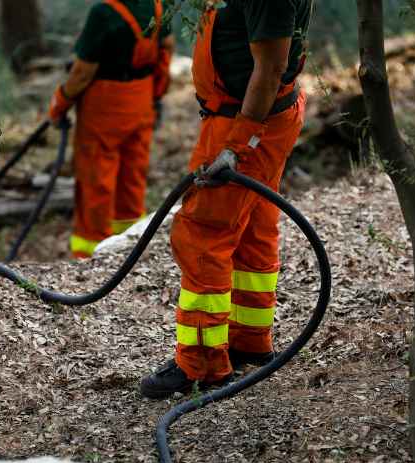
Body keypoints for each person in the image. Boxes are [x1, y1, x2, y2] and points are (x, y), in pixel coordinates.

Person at [141, 0, 314, 398]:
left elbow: (270, 68)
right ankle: (249, 339)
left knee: (203, 233)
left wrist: (238, 145)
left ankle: (200, 363)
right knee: (252, 227)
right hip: (252, 118)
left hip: (246, 123)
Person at [48, 0, 174, 258]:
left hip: (103, 107)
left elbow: (83, 72)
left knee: (96, 180)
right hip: (141, 99)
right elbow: (167, 48)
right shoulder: (159, 5)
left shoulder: (103, 12)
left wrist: (59, 102)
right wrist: (157, 90)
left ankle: (90, 252)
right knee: (133, 175)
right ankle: (130, 247)